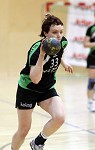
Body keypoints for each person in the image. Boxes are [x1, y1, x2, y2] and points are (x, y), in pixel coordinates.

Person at [11, 14, 73, 150]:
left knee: (60, 117)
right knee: (23, 130)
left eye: (61, 32)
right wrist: (41, 55)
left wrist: (63, 62)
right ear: (45, 34)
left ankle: (38, 142)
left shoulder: (62, 42)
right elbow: (35, 79)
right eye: (54, 32)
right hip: (28, 89)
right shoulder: (35, 51)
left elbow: (59, 53)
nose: (59, 36)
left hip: (47, 89)